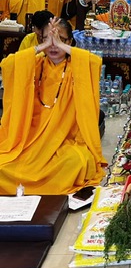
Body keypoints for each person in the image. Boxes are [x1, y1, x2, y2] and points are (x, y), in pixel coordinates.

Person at [0, 18, 106, 195]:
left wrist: (60, 45)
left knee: (76, 163)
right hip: (30, 139)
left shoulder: (76, 67)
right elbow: (7, 65)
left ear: (69, 42)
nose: (54, 46)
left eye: (60, 39)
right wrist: (42, 46)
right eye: (47, 39)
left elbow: (95, 62)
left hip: (65, 140)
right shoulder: (35, 64)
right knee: (4, 166)